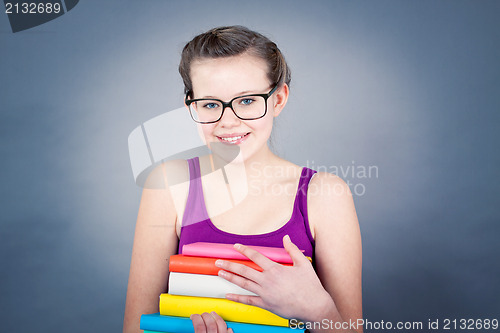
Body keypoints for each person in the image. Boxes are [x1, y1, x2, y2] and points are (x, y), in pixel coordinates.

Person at [123, 26, 362, 333]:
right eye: (210, 104)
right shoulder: (170, 185)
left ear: (278, 100)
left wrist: (319, 309)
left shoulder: (325, 194)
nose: (228, 121)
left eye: (247, 101)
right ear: (191, 106)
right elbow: (136, 328)